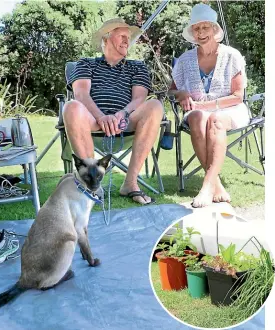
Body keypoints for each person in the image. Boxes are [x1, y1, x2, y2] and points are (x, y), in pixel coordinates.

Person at [63, 18, 163, 205]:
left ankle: (130, 183)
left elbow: (139, 99)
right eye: (122, 36)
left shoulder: (137, 66)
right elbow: (81, 93)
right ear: (106, 39)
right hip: (92, 121)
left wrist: (121, 114)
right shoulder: (86, 63)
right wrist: (101, 117)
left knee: (155, 105)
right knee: (71, 106)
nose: (127, 40)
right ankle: (91, 185)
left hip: (126, 121)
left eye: (129, 37)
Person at [171, 3, 250, 208]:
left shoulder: (231, 55)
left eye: (205, 27)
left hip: (229, 109)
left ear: (214, 29)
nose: (200, 33)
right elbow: (171, 90)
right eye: (196, 29)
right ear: (192, 33)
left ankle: (206, 188)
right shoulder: (185, 60)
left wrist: (209, 106)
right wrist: (182, 93)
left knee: (215, 119)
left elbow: (237, 96)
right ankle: (216, 184)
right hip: (197, 110)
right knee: (197, 117)